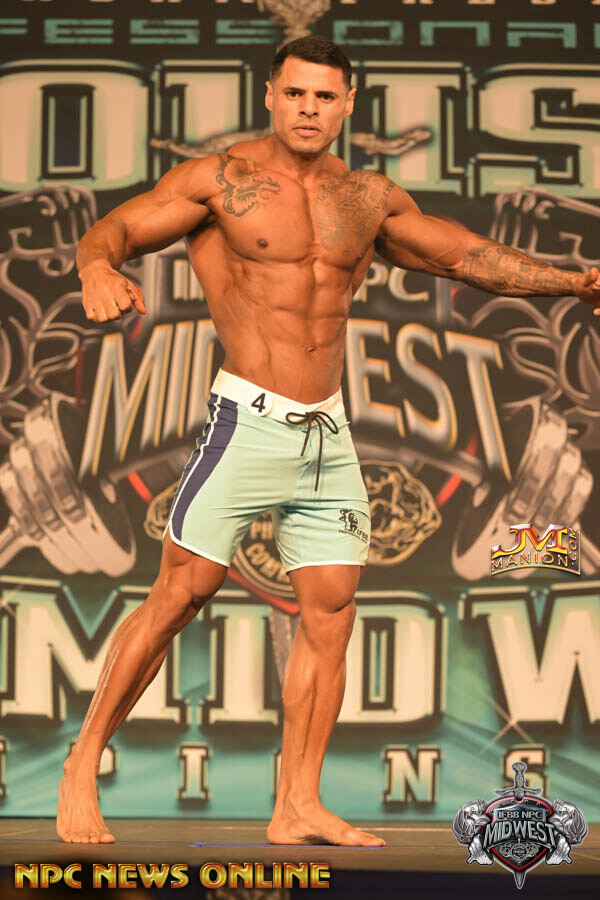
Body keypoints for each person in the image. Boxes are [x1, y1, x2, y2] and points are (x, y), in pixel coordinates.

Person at [56, 35, 600, 846]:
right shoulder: (221, 181)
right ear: (271, 95)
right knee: (179, 596)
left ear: (348, 104)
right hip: (245, 423)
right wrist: (97, 268)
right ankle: (80, 766)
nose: (308, 109)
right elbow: (116, 228)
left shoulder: (367, 198)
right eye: (295, 93)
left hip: (328, 434)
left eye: (324, 96)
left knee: (332, 612)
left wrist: (572, 282)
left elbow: (465, 256)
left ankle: (297, 804)